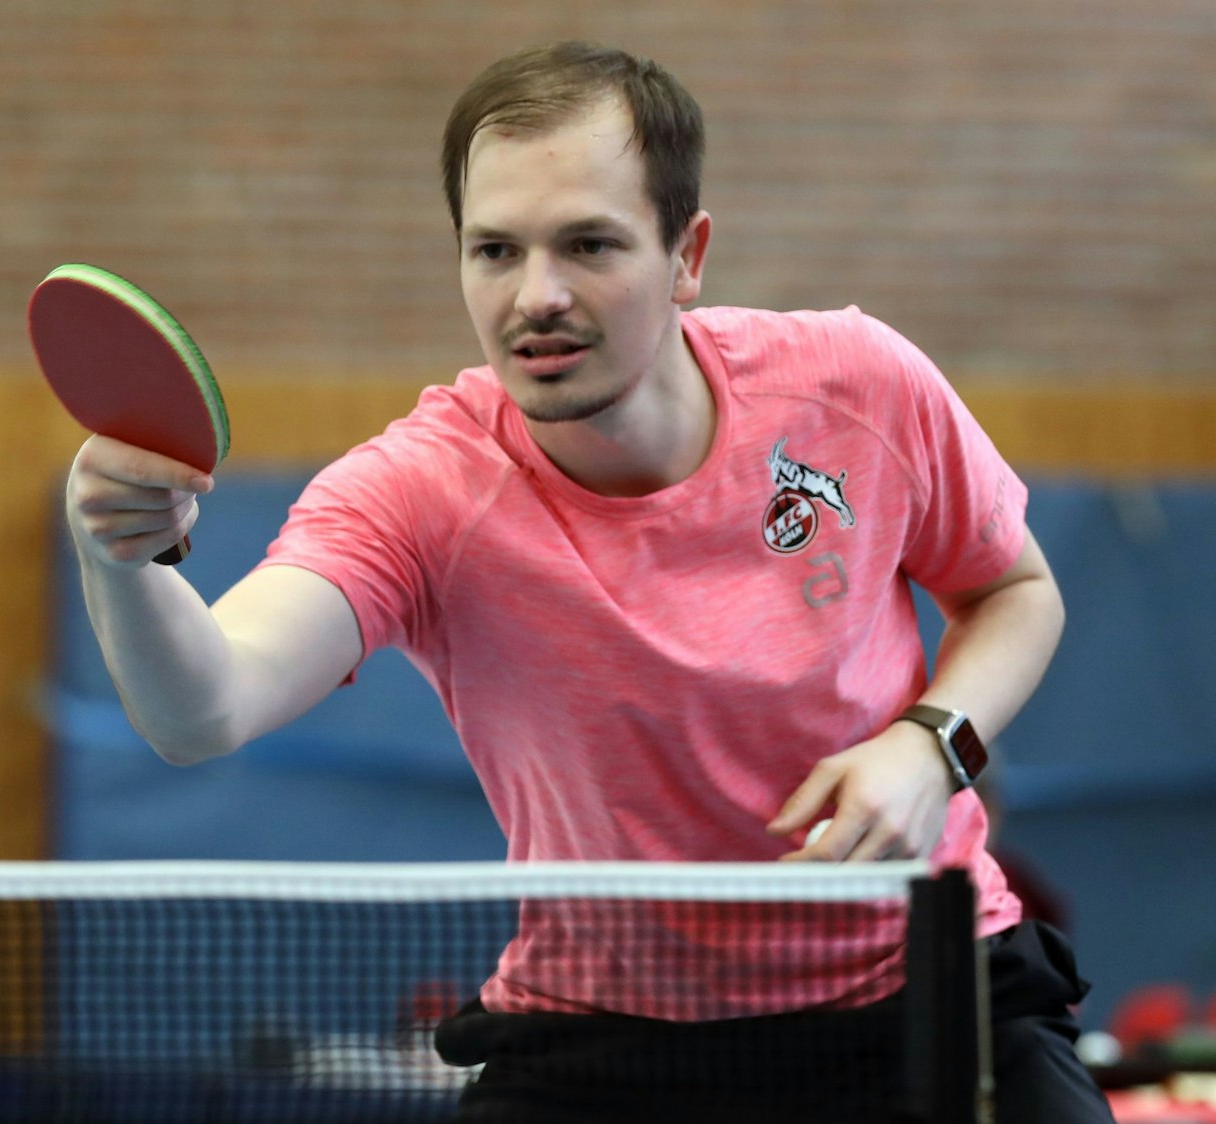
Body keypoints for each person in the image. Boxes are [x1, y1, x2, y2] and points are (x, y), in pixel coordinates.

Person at [62, 40, 1110, 1123]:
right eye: (494, 250)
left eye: (588, 244)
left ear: (686, 255)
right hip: (605, 1040)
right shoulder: (420, 491)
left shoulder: (856, 386)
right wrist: (119, 558)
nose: (536, 296)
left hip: (924, 985)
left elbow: (1013, 591)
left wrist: (932, 745)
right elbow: (204, 708)